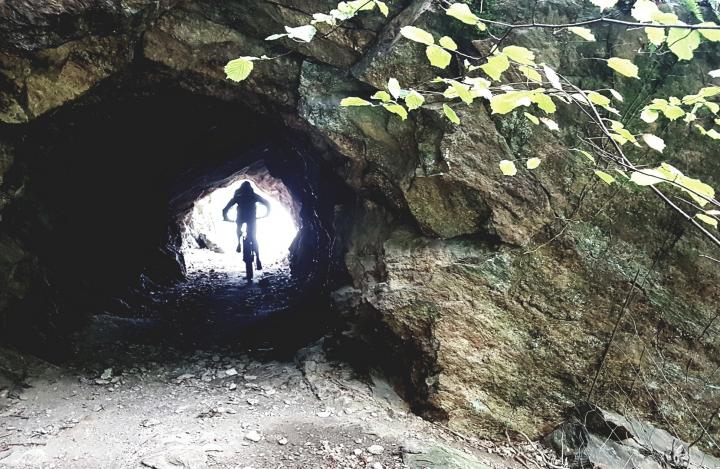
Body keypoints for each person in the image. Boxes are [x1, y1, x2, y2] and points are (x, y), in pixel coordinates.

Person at [222, 181, 271, 271]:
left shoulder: (238, 197)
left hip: (240, 218)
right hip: (252, 219)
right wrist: (267, 214)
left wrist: (226, 218)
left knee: (238, 230)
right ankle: (258, 259)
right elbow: (267, 204)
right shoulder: (254, 196)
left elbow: (225, 209)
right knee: (253, 237)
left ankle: (239, 244)